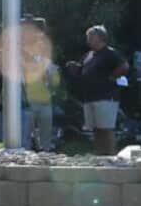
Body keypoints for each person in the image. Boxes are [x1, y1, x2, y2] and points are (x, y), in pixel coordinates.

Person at [66, 25, 129, 155]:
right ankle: (100, 156)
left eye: (90, 36)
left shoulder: (109, 53)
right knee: (96, 130)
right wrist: (75, 68)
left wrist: (112, 77)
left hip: (106, 97)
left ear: (100, 38)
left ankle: (112, 156)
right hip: (89, 97)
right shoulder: (88, 55)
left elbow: (124, 66)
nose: (87, 39)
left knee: (106, 128)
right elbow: (82, 70)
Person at [22, 18, 59, 151]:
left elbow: (55, 84)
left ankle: (46, 153)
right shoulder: (24, 60)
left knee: (46, 132)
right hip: (29, 102)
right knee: (26, 133)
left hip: (45, 102)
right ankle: (26, 153)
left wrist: (53, 75)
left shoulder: (47, 62)